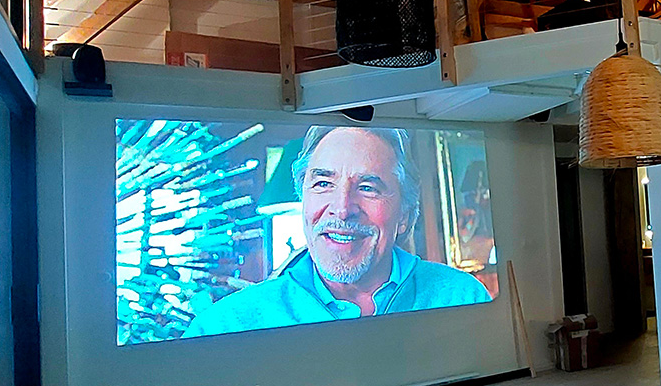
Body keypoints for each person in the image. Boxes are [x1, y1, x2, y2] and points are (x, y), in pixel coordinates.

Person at [183, 126, 490, 337]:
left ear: (405, 216)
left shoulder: (462, 298)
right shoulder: (223, 328)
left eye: (368, 187)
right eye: (323, 184)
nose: (342, 209)